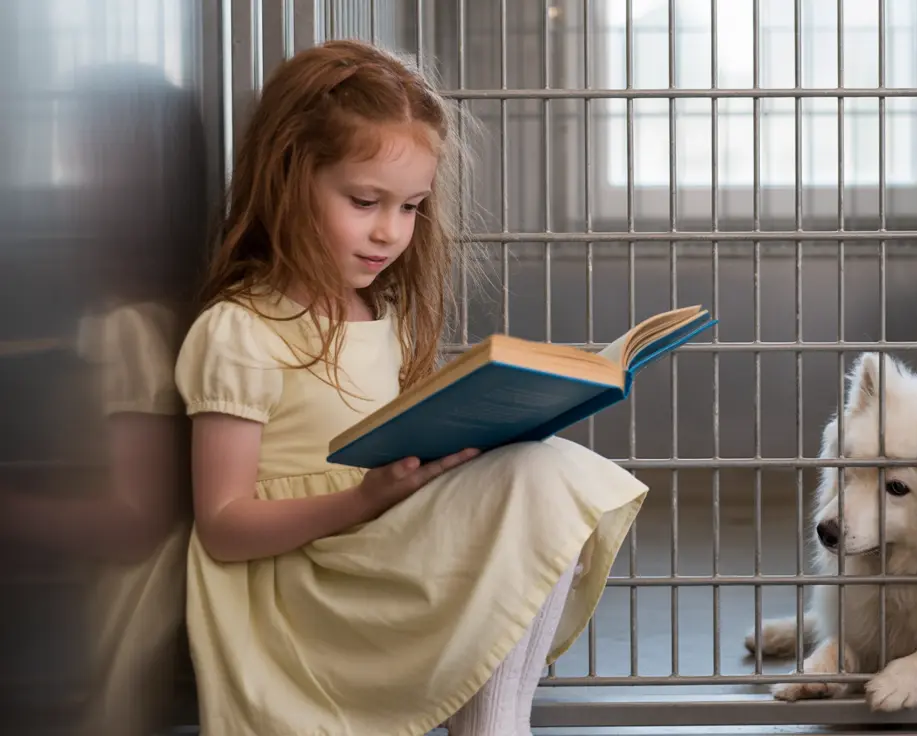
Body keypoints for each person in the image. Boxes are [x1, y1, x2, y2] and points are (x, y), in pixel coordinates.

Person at [174, 39, 648, 735]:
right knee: (546, 487)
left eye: (411, 207)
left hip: (371, 544)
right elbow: (222, 527)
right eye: (365, 201)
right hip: (305, 589)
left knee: (550, 495)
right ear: (286, 176)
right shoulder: (239, 331)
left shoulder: (378, 313)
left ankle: (495, 722)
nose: (389, 232)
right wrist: (365, 498)